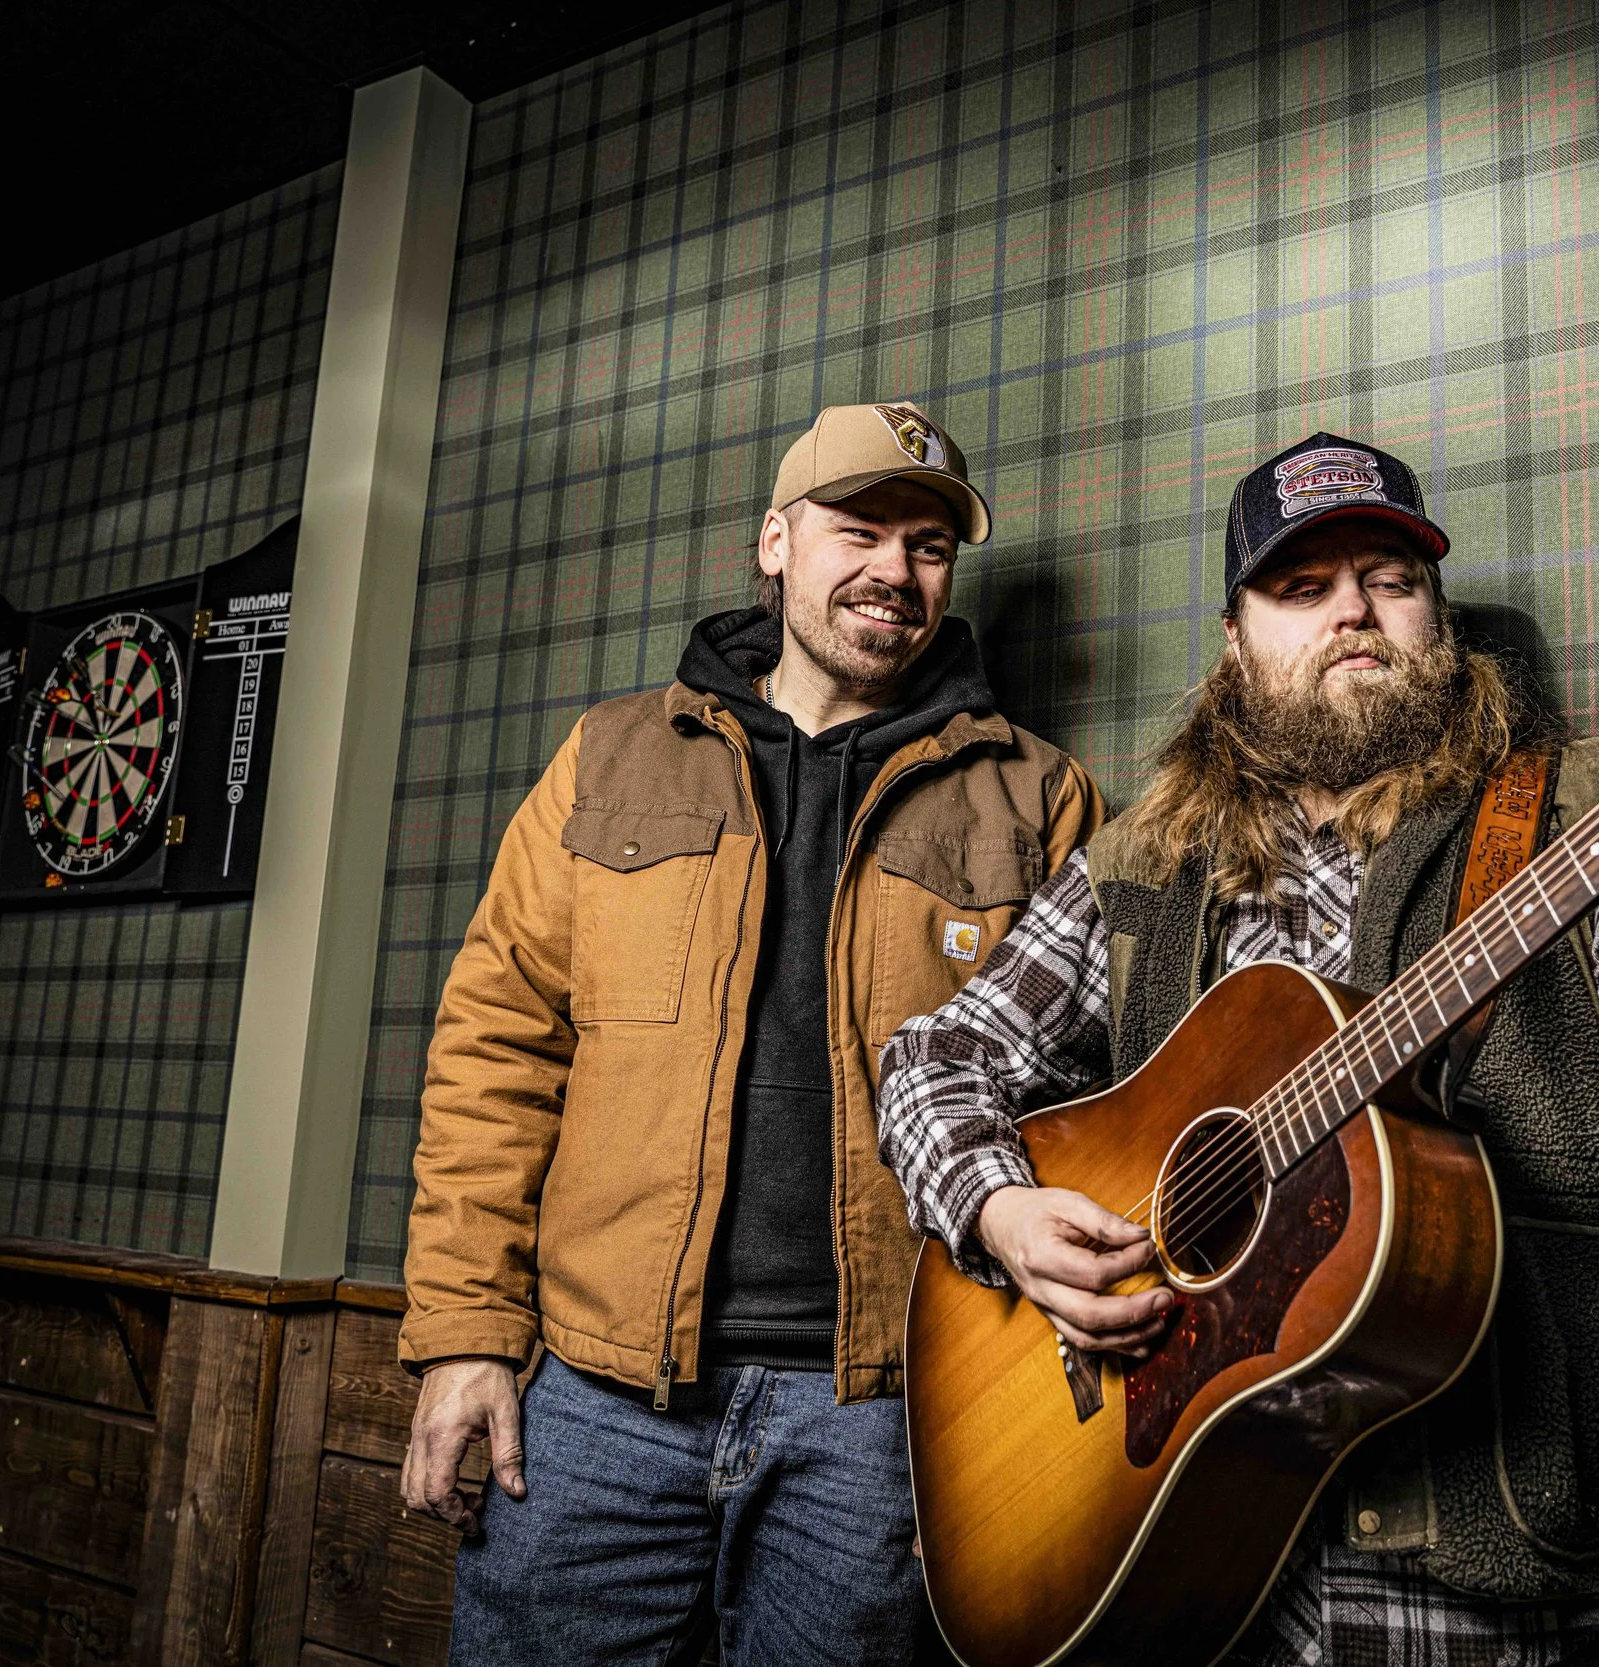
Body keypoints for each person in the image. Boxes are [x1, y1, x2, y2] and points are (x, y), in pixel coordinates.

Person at [876, 431, 1599, 1664]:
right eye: (1301, 586)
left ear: (1437, 616)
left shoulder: (1598, 810)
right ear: (1236, 639)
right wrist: (999, 1211)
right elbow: (933, 1060)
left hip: (1509, 1577)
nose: (1354, 613)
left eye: (1391, 578)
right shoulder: (1143, 862)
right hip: (1205, 1572)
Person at [397, 401, 1103, 1665]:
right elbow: (496, 1051)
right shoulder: (610, 756)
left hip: (883, 1416)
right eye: (859, 531)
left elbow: (1087, 1104)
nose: (895, 569)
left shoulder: (1038, 795)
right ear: (775, 542)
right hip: (594, 1404)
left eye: (929, 545)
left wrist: (1010, 1410)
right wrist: (464, 1335)